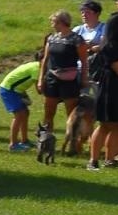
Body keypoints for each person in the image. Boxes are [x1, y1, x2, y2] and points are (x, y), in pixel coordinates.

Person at [36, 10, 87, 148]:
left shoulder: (76, 39)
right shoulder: (52, 38)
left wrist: (84, 78)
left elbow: (84, 61)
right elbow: (45, 60)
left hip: (69, 79)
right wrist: (41, 79)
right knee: (49, 112)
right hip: (52, 78)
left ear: (62, 22)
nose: (52, 24)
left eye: (53, 21)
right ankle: (46, 140)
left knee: (71, 114)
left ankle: (73, 143)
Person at [88, 12, 118, 170]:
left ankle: (107, 159)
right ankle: (98, 160)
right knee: (109, 125)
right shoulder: (113, 47)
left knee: (113, 125)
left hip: (113, 86)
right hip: (113, 87)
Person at [0, 60, 39, 151]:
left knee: (25, 113)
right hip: (9, 90)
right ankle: (13, 145)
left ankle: (25, 141)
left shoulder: (34, 65)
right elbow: (39, 89)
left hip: (16, 90)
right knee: (19, 115)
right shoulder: (37, 68)